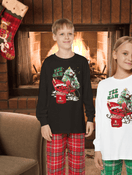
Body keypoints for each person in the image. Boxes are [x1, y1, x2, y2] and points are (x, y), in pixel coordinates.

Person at [36, 18, 95, 175]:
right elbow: (42, 95)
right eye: (62, 33)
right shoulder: (48, 63)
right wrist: (43, 122)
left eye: (70, 33)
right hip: (54, 126)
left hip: (76, 125)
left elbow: (87, 93)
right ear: (54, 36)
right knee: (55, 168)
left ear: (74, 35)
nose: (66, 37)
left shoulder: (82, 62)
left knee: (78, 168)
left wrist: (90, 118)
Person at [93, 36, 132, 175]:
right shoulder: (103, 85)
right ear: (115, 54)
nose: (130, 58)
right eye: (125, 53)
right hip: (109, 148)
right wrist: (98, 148)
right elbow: (101, 119)